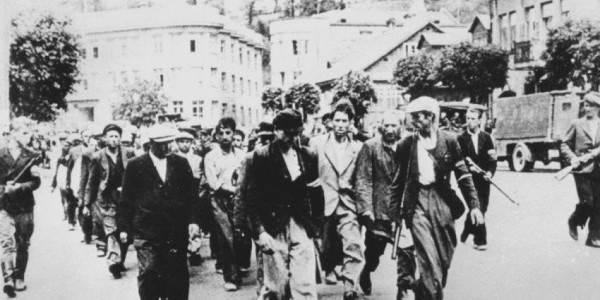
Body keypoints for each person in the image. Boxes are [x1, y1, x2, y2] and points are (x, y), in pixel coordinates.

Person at [390, 96, 484, 300]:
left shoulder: (449, 141)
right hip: (417, 204)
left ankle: (420, 288)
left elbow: (463, 175)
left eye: (418, 117)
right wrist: (393, 215)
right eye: (412, 117)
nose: (414, 121)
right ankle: (430, 293)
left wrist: (474, 205)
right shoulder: (406, 144)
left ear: (431, 117)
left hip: (443, 202)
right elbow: (397, 182)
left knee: (444, 259)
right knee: (429, 260)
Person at [118, 125, 201, 300]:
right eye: (161, 144)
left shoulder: (180, 163)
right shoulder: (136, 165)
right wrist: (124, 228)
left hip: (175, 231)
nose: (166, 148)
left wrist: (193, 221)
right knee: (149, 273)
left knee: (177, 277)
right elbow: (126, 200)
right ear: (151, 144)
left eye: (168, 143)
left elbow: (192, 196)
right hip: (147, 231)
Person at [244, 109, 320, 299]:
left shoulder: (308, 156)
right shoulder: (261, 157)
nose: (292, 138)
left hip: (301, 224)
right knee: (276, 287)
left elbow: (316, 192)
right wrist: (259, 232)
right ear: (276, 130)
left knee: (304, 284)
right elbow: (252, 199)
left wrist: (316, 227)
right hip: (273, 226)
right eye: (287, 133)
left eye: (296, 133)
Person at [356, 112, 415, 299]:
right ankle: (367, 270)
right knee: (374, 251)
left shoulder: (408, 147)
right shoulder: (370, 147)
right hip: (379, 211)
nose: (390, 130)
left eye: (394, 125)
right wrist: (366, 208)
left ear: (401, 127)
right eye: (386, 126)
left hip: (402, 210)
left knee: (406, 250)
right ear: (381, 126)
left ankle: (402, 288)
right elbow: (363, 179)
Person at [310, 102, 365, 300]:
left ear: (351, 123)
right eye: (337, 120)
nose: (340, 124)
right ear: (331, 122)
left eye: (344, 121)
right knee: (321, 246)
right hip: (323, 201)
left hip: (348, 203)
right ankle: (309, 284)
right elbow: (309, 170)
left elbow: (362, 178)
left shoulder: (358, 148)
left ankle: (350, 287)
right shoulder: (317, 143)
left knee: (353, 244)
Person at [85, 124, 135, 278]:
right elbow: (91, 181)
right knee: (111, 230)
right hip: (106, 199)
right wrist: (86, 204)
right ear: (105, 138)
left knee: (125, 231)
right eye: (110, 136)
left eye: (116, 136)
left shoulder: (130, 153)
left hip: (126, 198)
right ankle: (113, 260)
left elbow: (136, 176)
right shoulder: (97, 156)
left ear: (120, 138)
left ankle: (120, 260)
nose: (113, 140)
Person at [0, 117, 41, 297]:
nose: (27, 136)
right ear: (13, 133)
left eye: (28, 133)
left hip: (25, 207)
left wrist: (21, 187)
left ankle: (19, 276)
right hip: (5, 206)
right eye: (23, 133)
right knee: (6, 243)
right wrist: (3, 188)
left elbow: (36, 181)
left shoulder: (31, 156)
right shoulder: (0, 154)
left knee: (23, 244)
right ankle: (8, 279)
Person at [204, 117, 245, 291]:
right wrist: (232, 189)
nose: (225, 136)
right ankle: (231, 276)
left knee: (240, 236)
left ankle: (238, 268)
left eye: (228, 133)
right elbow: (214, 183)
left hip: (239, 201)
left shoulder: (242, 155)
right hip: (219, 200)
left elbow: (245, 177)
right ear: (217, 136)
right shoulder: (211, 156)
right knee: (226, 237)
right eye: (221, 133)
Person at [562, 92, 600, 246]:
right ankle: (574, 220)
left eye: (591, 105)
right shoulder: (576, 123)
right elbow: (564, 144)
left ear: (598, 108)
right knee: (587, 202)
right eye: (585, 104)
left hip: (598, 168)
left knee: (599, 204)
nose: (587, 108)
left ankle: (594, 236)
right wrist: (572, 158)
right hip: (582, 169)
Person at [458, 108, 497, 251]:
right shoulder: (461, 139)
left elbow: (492, 160)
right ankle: (480, 240)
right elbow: (459, 161)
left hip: (484, 180)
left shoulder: (486, 138)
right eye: (468, 118)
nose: (470, 121)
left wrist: (490, 173)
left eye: (473, 119)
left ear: (479, 120)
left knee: (483, 207)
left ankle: (466, 230)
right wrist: (469, 169)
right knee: (478, 207)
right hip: (469, 180)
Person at [174, 131, 204, 265]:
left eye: (187, 141)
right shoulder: (173, 158)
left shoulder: (197, 159)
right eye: (182, 141)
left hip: (195, 192)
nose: (185, 144)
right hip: (179, 194)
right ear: (177, 142)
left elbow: (200, 177)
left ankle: (195, 250)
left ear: (191, 143)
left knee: (195, 221)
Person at [51, 135, 74, 226]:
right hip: (62, 177)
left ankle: (71, 216)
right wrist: (53, 184)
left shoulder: (73, 155)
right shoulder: (60, 158)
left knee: (69, 197)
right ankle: (66, 212)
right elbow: (56, 172)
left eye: (67, 145)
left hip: (69, 177)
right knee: (63, 197)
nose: (66, 147)